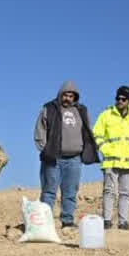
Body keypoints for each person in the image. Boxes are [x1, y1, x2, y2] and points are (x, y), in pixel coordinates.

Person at [33, 80, 99, 228]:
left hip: (74, 159)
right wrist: (45, 150)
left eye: (71, 95)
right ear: (60, 94)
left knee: (70, 192)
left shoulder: (82, 110)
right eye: (65, 95)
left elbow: (88, 129)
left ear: (75, 97)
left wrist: (89, 147)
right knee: (49, 191)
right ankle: (45, 223)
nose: (67, 98)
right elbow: (40, 131)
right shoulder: (49, 108)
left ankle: (67, 221)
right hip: (53, 158)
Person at [92, 85, 129, 230]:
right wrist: (105, 149)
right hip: (111, 160)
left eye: (123, 98)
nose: (120, 101)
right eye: (118, 98)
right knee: (109, 191)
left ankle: (123, 222)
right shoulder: (106, 115)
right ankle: (107, 220)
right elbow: (97, 134)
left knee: (125, 193)